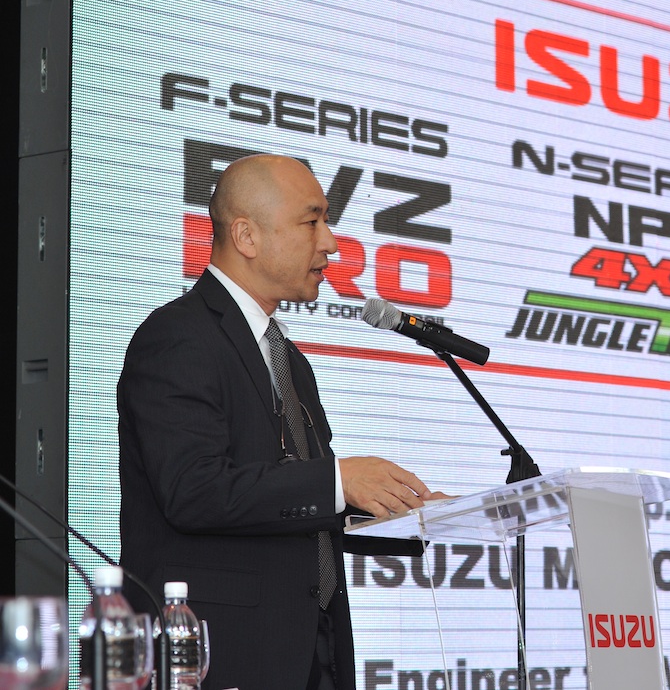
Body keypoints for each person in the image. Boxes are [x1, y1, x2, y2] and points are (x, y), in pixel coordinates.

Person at [118, 154, 445, 690]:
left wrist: (402, 512)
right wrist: (338, 479)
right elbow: (193, 489)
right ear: (246, 235)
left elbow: (291, 502)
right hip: (222, 655)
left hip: (314, 651)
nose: (332, 243)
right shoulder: (178, 336)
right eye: (312, 221)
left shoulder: (288, 358)